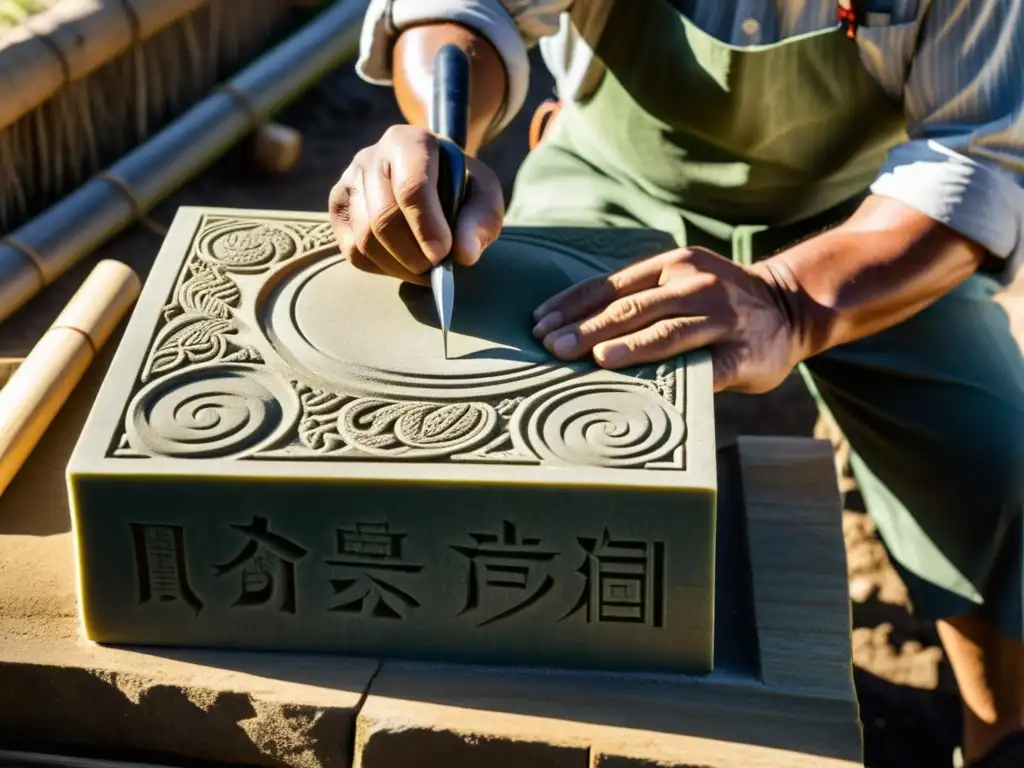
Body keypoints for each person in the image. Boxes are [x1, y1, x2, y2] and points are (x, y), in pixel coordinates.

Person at [330, 1, 1024, 764]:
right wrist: (441, 145)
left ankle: (998, 728)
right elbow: (466, 9)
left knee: (997, 468)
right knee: (538, 428)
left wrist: (790, 303)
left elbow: (976, 158)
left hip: (870, 222)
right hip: (616, 178)